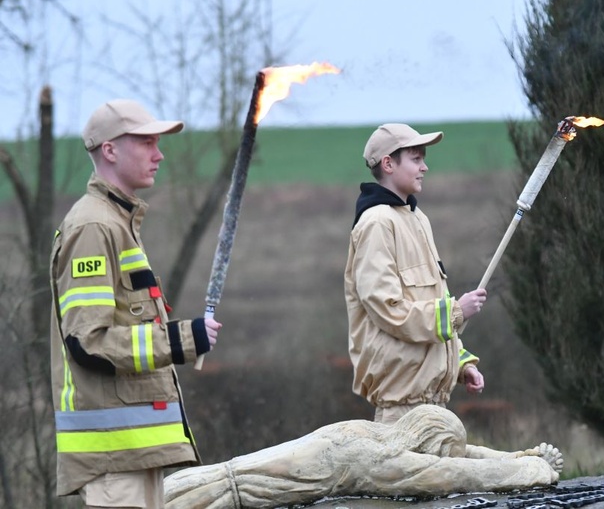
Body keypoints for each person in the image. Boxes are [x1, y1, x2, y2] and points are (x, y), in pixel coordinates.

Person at [49, 99, 222, 508]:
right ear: (109, 150)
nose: (159, 154)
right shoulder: (94, 226)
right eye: (146, 142)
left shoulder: (117, 221)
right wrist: (179, 340)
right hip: (114, 459)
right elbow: (88, 340)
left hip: (132, 455)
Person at [344, 123, 488, 424]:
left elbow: (430, 301)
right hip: (401, 412)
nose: (425, 167)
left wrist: (461, 364)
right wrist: (456, 312)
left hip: (434, 407)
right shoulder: (376, 224)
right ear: (388, 163)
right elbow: (389, 310)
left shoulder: (417, 218)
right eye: (416, 158)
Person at [164, 404, 563, 508]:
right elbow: (451, 473)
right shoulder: (374, 460)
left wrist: (515, 454)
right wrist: (529, 469)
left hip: (214, 482)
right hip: (214, 498)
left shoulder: (372, 434)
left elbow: (456, 454)